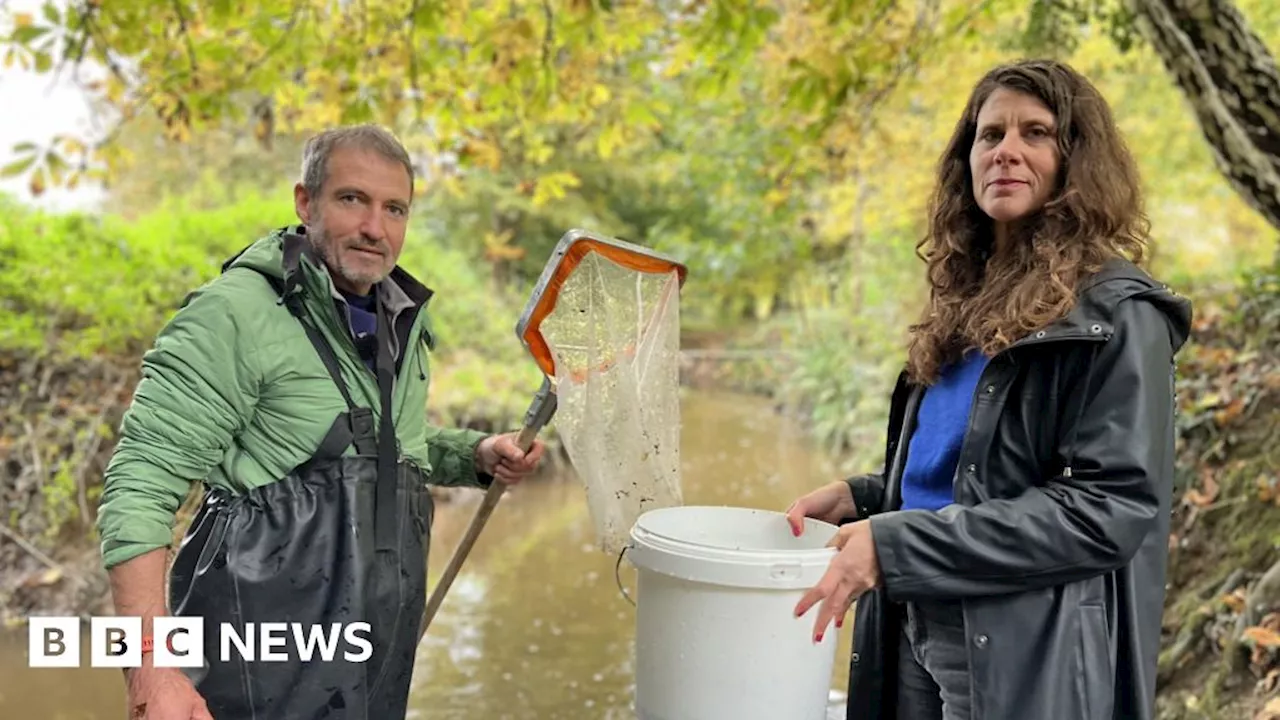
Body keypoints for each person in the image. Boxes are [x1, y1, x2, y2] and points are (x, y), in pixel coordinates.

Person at [785, 59, 1192, 720]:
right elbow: (974, 468)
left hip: (1017, 643)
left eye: (1035, 133)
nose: (1006, 150)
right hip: (913, 616)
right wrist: (868, 496)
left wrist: (896, 544)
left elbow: (1104, 511)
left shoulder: (1118, 314)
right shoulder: (967, 297)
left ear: (1076, 160)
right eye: (989, 133)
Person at [96, 124, 547, 720]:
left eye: (395, 209)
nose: (374, 228)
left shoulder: (399, 319)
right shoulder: (232, 315)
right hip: (253, 669)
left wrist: (474, 455)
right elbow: (137, 488)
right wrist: (151, 671)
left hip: (368, 663)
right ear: (305, 203)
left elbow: (382, 446)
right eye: (352, 199)